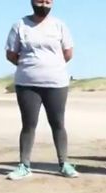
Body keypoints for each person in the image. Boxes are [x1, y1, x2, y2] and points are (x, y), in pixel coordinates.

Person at [5, 0, 79, 180]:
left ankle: (64, 164)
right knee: (29, 124)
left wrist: (51, 66)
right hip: (27, 84)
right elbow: (11, 54)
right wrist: (30, 67)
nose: (44, 4)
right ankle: (24, 165)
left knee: (58, 123)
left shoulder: (59, 25)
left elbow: (68, 53)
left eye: (48, 1)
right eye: (40, 1)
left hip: (56, 83)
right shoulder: (20, 25)